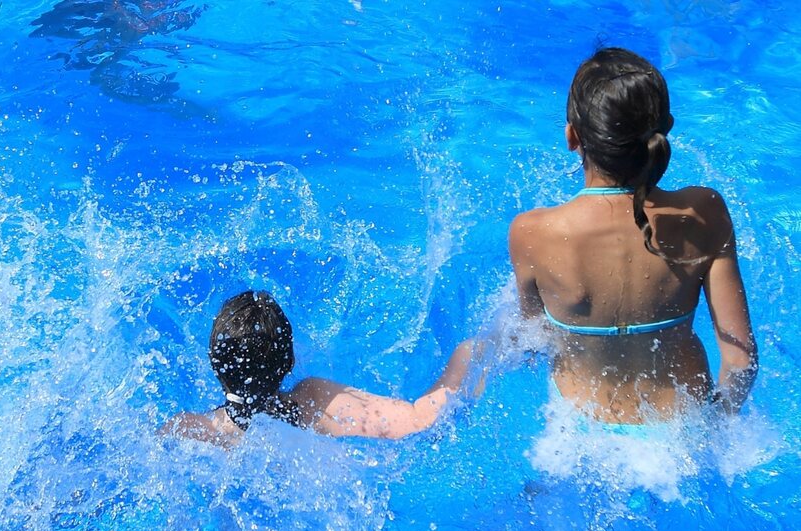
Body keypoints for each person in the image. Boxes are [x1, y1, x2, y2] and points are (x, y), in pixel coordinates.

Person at [508, 47, 757, 423]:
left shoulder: (533, 232)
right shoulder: (704, 212)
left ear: (572, 137)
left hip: (580, 431)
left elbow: (531, 341)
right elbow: (741, 361)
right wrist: (718, 422)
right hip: (683, 426)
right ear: (665, 128)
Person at [158, 290, 467, 446]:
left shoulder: (190, 431)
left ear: (216, 364)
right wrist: (466, 354)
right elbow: (419, 420)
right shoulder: (313, 403)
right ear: (289, 361)